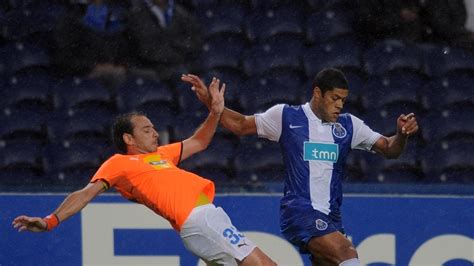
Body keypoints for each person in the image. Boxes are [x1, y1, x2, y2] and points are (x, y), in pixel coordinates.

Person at [12, 78, 276, 266]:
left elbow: (199, 142)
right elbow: (85, 193)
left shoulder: (161, 154)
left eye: (153, 127)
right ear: (128, 138)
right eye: (146, 129)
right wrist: (50, 221)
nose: (154, 132)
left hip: (204, 220)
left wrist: (215, 111)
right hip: (198, 220)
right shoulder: (119, 163)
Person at [182, 68, 419, 266]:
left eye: (343, 100)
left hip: (332, 218)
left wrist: (402, 134)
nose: (339, 105)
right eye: (334, 98)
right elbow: (241, 125)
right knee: (347, 254)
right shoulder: (286, 116)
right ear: (318, 93)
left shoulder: (349, 125)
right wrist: (210, 102)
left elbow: (389, 149)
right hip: (300, 212)